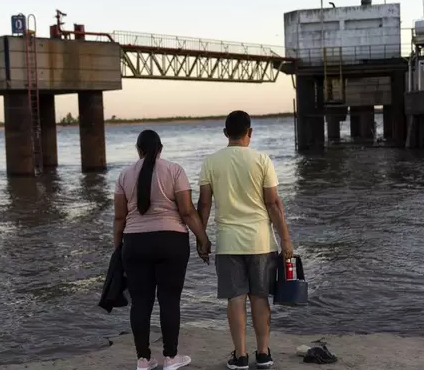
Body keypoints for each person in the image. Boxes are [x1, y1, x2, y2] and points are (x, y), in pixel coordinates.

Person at [197, 111, 293, 370]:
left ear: (225, 133)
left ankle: (240, 356)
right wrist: (285, 239)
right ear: (250, 132)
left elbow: (204, 204)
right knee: (260, 298)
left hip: (228, 243)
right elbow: (273, 203)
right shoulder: (262, 160)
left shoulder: (211, 162)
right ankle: (263, 354)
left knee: (235, 299)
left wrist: (202, 238)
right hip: (261, 242)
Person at [113, 129, 212, 370]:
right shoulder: (175, 170)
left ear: (139, 150)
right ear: (161, 149)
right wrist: (203, 239)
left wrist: (118, 249)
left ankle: (143, 360)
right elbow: (187, 211)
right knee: (169, 300)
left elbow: (119, 218)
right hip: (171, 242)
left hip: (134, 244)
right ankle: (170, 358)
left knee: (140, 303)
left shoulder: (124, 175)